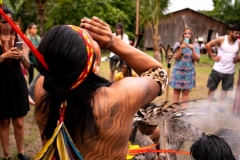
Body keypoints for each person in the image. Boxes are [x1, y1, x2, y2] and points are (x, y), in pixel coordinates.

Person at [34, 16, 168, 159]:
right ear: (94, 67)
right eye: (91, 43)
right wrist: (112, 42)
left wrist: (70, 42)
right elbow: (158, 74)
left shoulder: (41, 89)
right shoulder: (118, 98)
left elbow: (58, 67)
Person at [0, 6, 31, 160]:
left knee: (19, 122)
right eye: (4, 21)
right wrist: (4, 55)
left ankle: (21, 152)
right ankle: (6, 155)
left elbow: (27, 65)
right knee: (4, 121)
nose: (7, 25)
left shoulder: (20, 38)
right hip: (2, 84)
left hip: (17, 82)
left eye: (10, 21)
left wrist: (22, 57)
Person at [205, 24, 240, 112]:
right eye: (236, 33)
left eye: (239, 34)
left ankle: (220, 105)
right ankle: (207, 105)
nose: (237, 35)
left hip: (230, 71)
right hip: (218, 69)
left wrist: (238, 58)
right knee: (212, 88)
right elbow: (208, 45)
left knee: (225, 89)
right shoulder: (221, 39)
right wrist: (213, 57)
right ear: (231, 32)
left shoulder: (239, 42)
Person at [169, 27, 200, 109]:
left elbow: (196, 59)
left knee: (186, 92)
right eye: (185, 33)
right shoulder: (177, 44)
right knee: (176, 91)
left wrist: (193, 49)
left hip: (189, 72)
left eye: (189, 33)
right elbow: (176, 58)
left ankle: (183, 111)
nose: (187, 35)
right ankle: (174, 111)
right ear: (183, 34)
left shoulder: (195, 45)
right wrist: (181, 48)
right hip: (178, 71)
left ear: (191, 35)